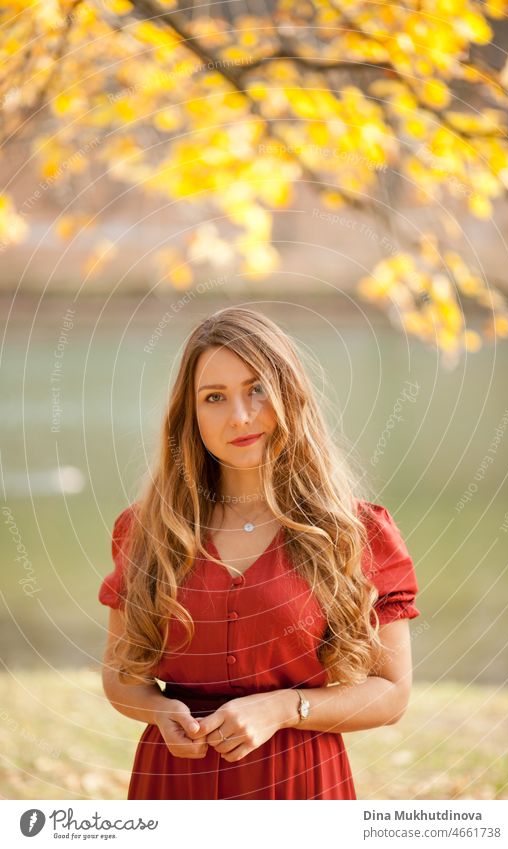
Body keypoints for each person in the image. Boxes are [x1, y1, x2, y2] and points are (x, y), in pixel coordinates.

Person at [98, 306, 420, 800]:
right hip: (176, 787)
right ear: (192, 415)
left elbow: (392, 693)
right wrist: (160, 711)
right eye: (214, 397)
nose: (241, 416)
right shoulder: (145, 530)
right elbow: (121, 678)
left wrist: (284, 709)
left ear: (289, 393)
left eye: (257, 389)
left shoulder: (356, 532)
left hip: (301, 788)